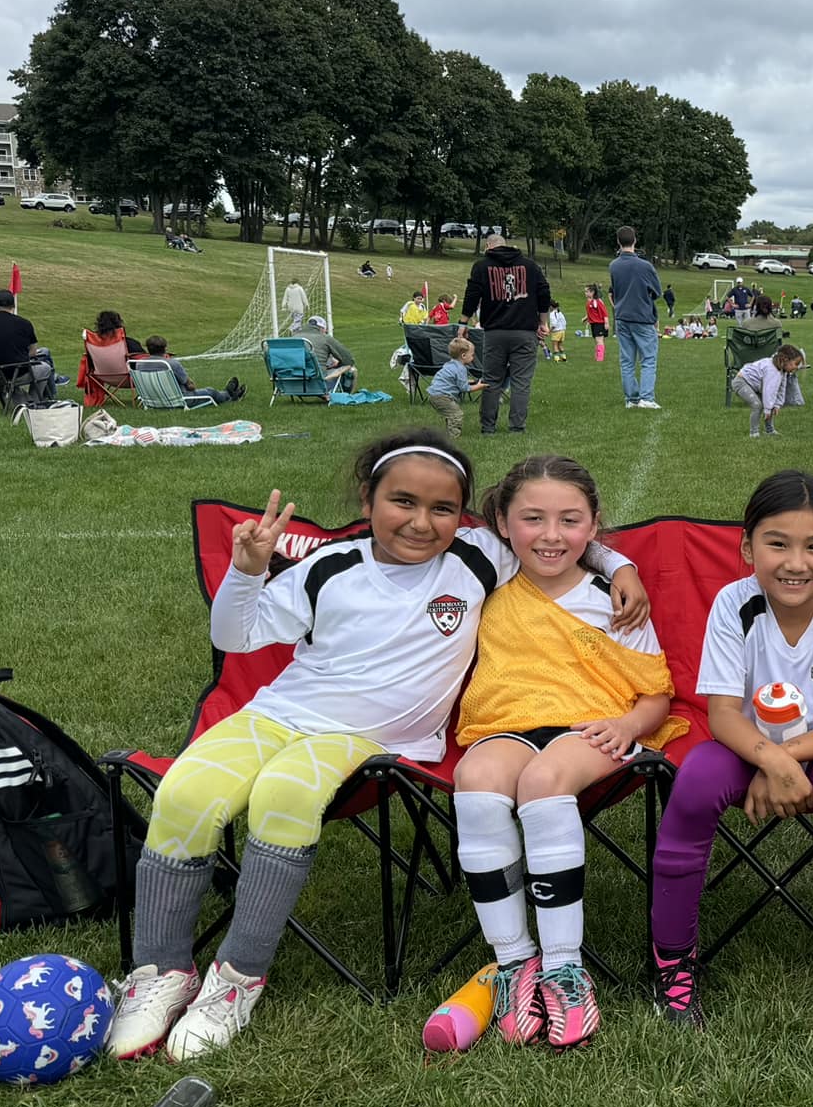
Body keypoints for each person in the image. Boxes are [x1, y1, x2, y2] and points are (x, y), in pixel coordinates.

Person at [104, 432, 648, 1061]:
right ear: (368, 499)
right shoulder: (327, 566)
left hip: (373, 738)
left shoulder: (476, 557)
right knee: (185, 793)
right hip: (280, 713)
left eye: (442, 508)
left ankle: (237, 979)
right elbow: (236, 635)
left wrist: (618, 566)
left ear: (466, 515)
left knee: (285, 795)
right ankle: (161, 972)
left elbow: (554, 537)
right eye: (402, 502)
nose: (421, 522)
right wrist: (248, 571)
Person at [650, 471, 813, 1052]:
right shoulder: (733, 603)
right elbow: (722, 713)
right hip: (748, 745)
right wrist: (769, 760)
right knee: (693, 784)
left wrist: (782, 762)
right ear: (746, 548)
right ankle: (673, 965)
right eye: (776, 543)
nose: (795, 562)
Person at [447, 456, 686, 1050]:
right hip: (506, 721)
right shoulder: (488, 578)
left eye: (570, 521)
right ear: (502, 522)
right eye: (533, 519)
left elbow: (655, 691)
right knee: (475, 777)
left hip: (593, 725)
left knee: (546, 779)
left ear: (594, 524)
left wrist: (629, 723)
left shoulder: (614, 598)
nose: (551, 535)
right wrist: (617, 555)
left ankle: (563, 967)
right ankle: (512, 962)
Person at [464, 231, 550, 435]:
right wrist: (543, 322)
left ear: (488, 247)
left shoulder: (482, 266)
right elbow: (544, 292)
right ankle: (517, 427)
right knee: (521, 381)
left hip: (495, 332)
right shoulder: (530, 266)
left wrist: (463, 321)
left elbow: (472, 294)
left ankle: (488, 427)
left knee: (491, 379)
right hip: (525, 331)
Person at [608, 226, 663, 411]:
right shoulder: (645, 266)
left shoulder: (614, 265)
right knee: (648, 358)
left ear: (618, 241)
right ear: (635, 241)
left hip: (622, 316)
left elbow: (615, 291)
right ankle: (646, 397)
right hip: (642, 317)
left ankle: (631, 399)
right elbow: (657, 292)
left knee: (627, 360)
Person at [0, 289, 56, 402]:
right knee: (45, 368)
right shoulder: (24, 323)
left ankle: (20, 397)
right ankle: (34, 399)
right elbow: (33, 352)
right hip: (16, 372)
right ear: (13, 305)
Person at [733, 344, 805, 438]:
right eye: (795, 364)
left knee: (770, 403)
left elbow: (781, 389)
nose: (796, 367)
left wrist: (777, 404)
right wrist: (767, 409)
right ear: (785, 360)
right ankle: (754, 433)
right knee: (757, 405)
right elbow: (769, 391)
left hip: (753, 385)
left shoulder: (782, 370)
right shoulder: (772, 370)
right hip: (741, 382)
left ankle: (769, 431)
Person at [142, 335, 238, 405]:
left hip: (152, 400)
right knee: (211, 391)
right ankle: (229, 395)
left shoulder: (139, 364)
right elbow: (190, 386)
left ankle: (228, 392)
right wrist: (191, 386)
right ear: (165, 348)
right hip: (179, 400)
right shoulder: (171, 364)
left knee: (207, 391)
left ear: (148, 349)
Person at [424, 335, 480, 437]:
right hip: (442, 396)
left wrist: (469, 381)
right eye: (472, 355)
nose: (473, 357)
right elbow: (465, 388)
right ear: (463, 356)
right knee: (456, 414)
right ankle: (454, 437)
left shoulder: (450, 364)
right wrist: (480, 386)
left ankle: (449, 433)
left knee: (451, 414)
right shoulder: (461, 369)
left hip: (434, 394)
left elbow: (456, 381)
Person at [301, 315, 357, 393]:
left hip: (291, 382)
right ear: (322, 329)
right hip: (318, 383)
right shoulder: (325, 338)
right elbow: (349, 359)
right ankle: (346, 394)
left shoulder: (293, 338)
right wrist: (339, 365)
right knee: (351, 369)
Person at [584, 282, 609, 363]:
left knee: (599, 340)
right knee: (597, 340)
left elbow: (604, 312)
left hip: (599, 323)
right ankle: (598, 355)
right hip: (594, 324)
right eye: (585, 291)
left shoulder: (597, 301)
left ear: (592, 292)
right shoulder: (589, 302)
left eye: (587, 291)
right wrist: (586, 318)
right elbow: (591, 313)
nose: (585, 293)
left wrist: (606, 323)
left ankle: (600, 358)